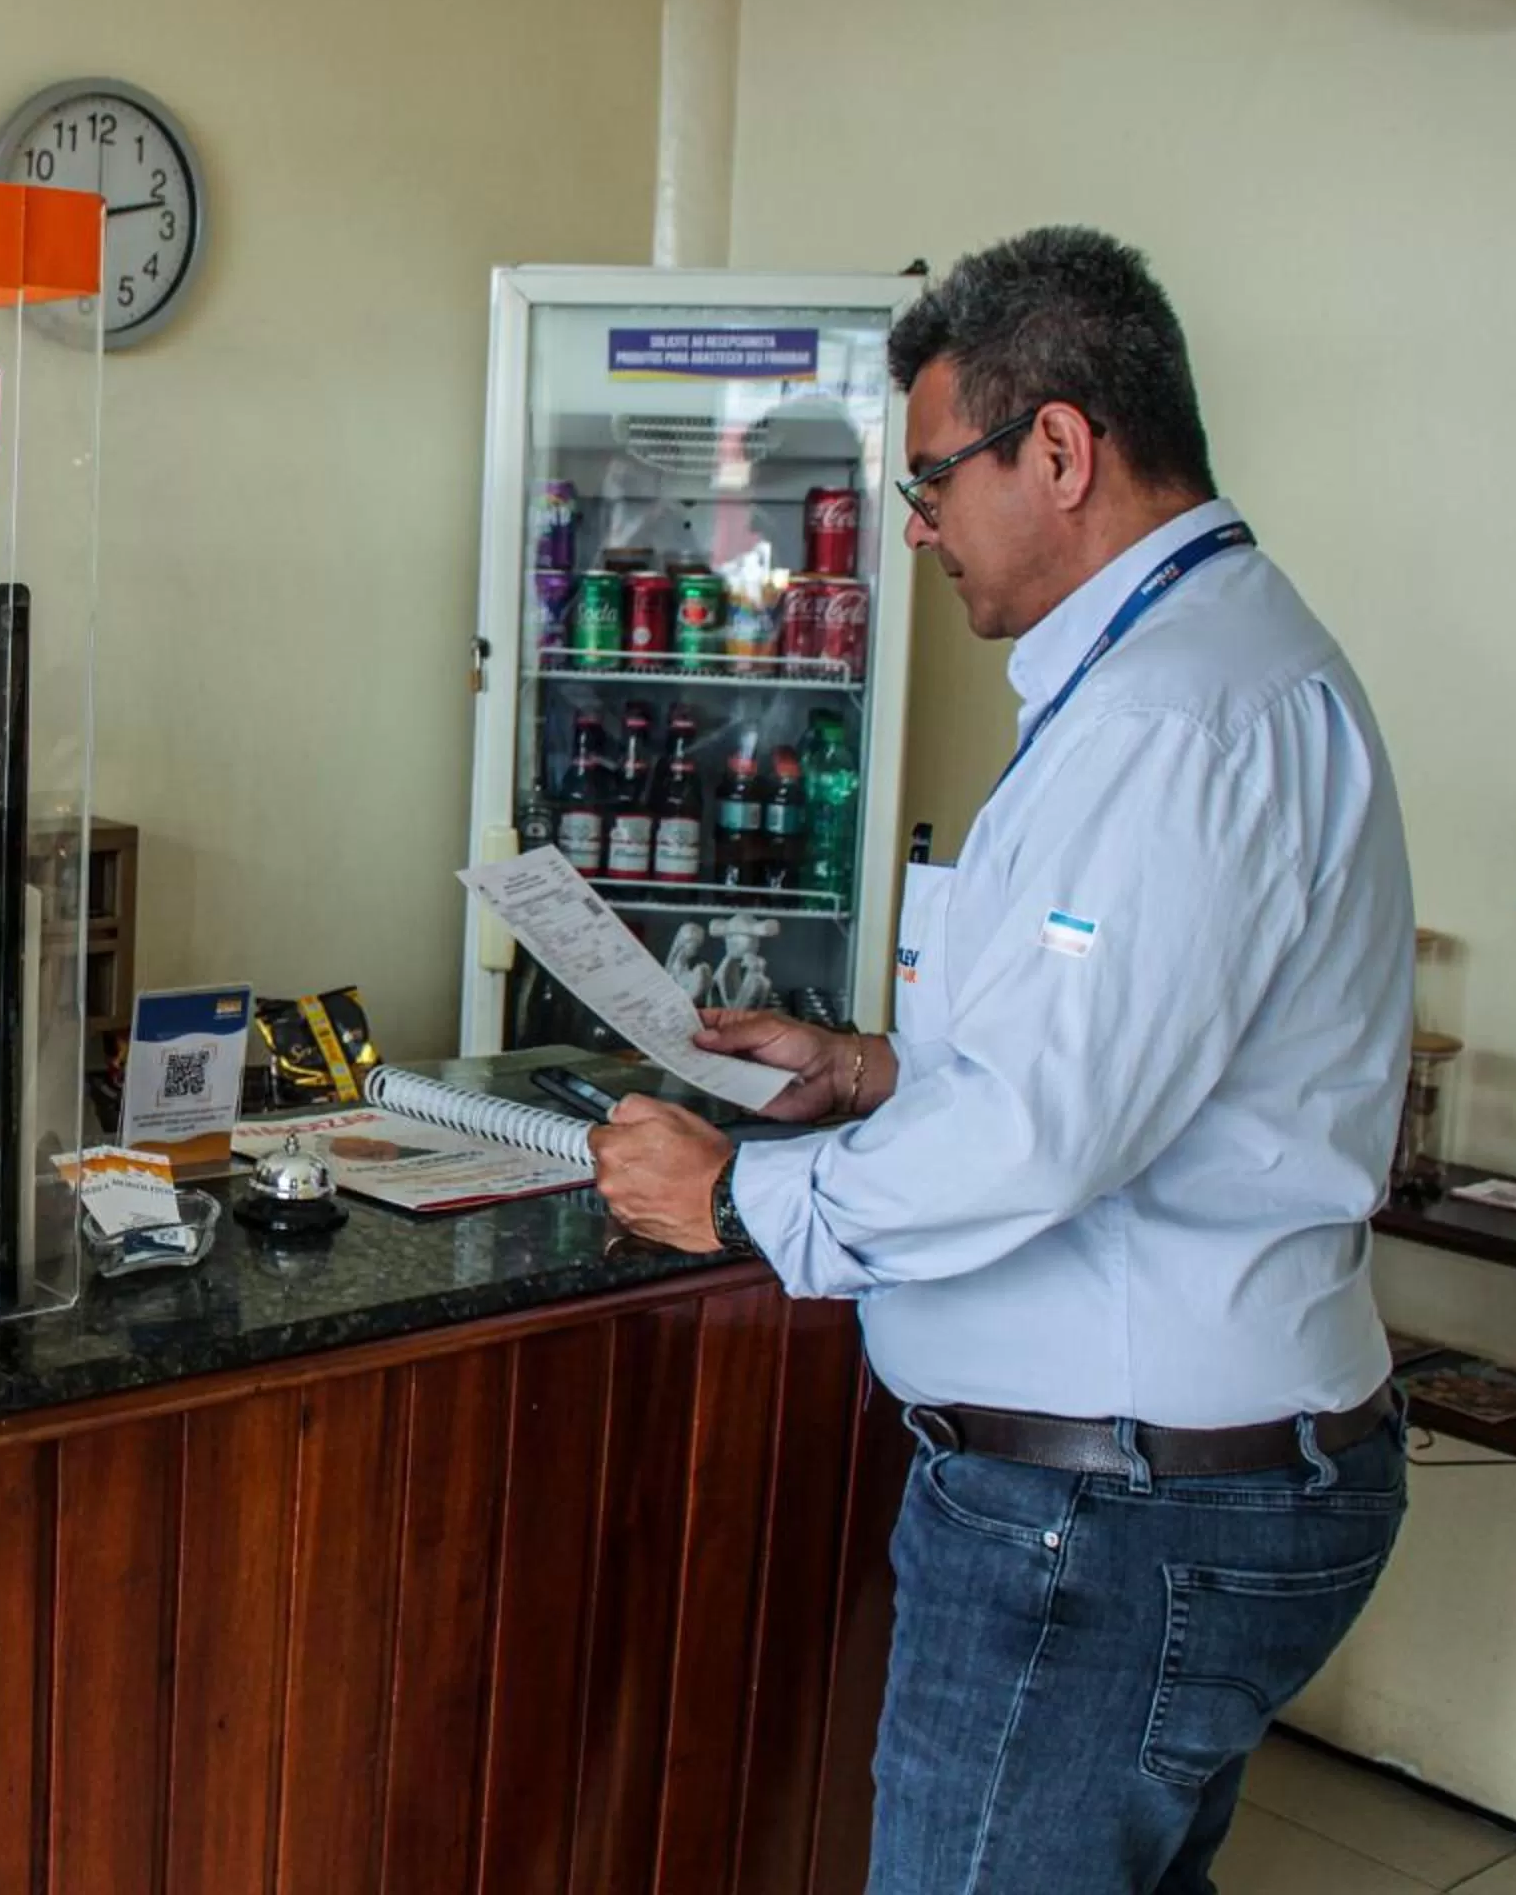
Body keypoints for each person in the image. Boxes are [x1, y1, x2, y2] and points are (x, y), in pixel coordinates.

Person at [589, 228, 1414, 1895]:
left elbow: (1049, 1134)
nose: (911, 529)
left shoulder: (1167, 722)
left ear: (1058, 449)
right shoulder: (1209, 667)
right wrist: (881, 1070)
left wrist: (744, 1196)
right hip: (1175, 1489)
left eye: (934, 479)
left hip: (1105, 1525)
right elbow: (1131, 1058)